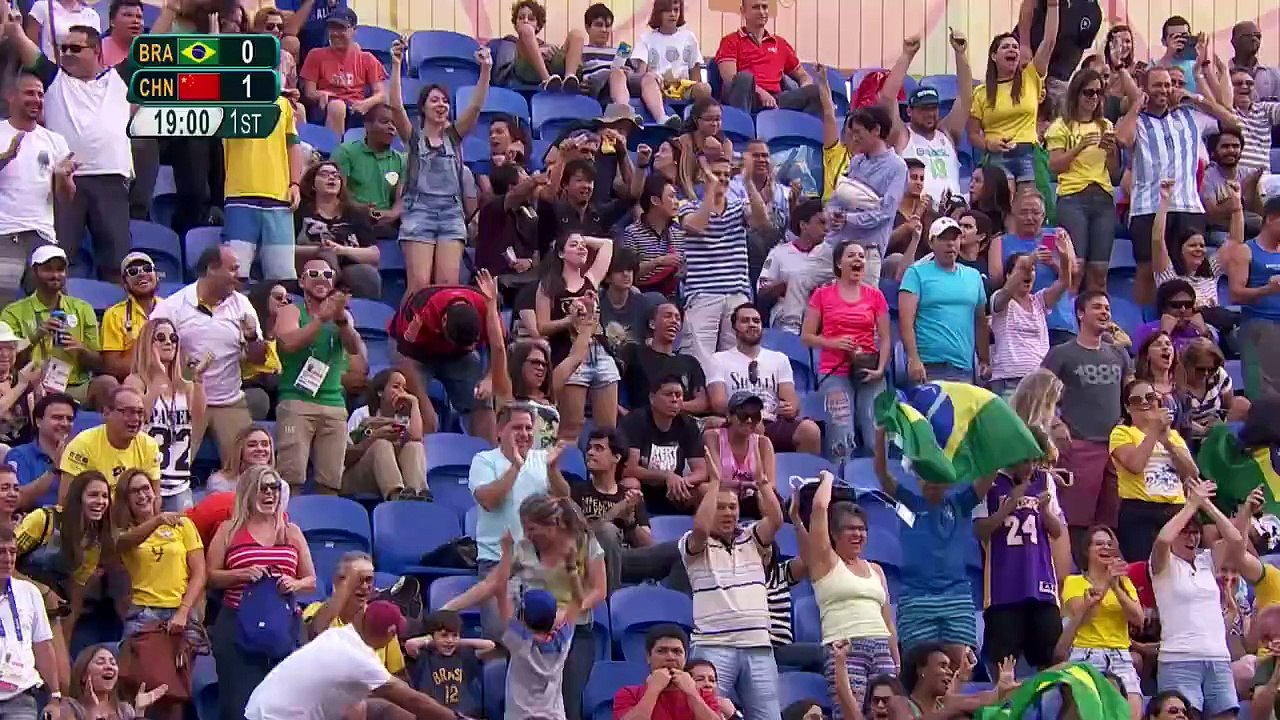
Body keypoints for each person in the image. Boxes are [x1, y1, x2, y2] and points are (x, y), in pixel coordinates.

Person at [5, 20, 129, 281]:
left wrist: (171, 10)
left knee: (116, 263)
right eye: (63, 48)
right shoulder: (54, 79)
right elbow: (24, 43)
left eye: (75, 48)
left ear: (96, 51)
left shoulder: (119, 77)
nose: (67, 53)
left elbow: (150, 48)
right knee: (58, 259)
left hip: (111, 177)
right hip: (66, 182)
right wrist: (13, 26)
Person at [1118, 65, 1241, 306]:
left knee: (1187, 269)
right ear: (1145, 89)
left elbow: (1232, 122)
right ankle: (1147, 321)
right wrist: (1136, 104)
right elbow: (1122, 139)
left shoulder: (1191, 116)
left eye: (1168, 85)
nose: (1165, 90)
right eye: (1158, 85)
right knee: (1147, 269)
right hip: (1147, 207)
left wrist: (1196, 99)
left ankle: (1185, 316)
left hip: (1189, 206)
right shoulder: (1136, 120)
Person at [681, 434, 783, 720]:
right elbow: (701, 529)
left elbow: (776, 520)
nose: (728, 513)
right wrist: (714, 483)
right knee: (705, 716)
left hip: (758, 644)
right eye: (720, 507)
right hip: (713, 646)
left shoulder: (752, 537)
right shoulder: (693, 543)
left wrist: (762, 483)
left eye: (732, 507)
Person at [206, 465, 315, 720]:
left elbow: (311, 580)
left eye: (274, 488)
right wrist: (241, 574)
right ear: (248, 492)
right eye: (263, 488)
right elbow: (210, 576)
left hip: (284, 624)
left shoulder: (290, 531)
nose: (270, 494)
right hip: (236, 623)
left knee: (286, 704)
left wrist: (295, 583)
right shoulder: (229, 530)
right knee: (239, 706)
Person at [791, 470, 896, 719]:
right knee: (850, 714)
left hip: (881, 650)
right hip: (845, 650)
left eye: (862, 529)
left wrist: (896, 660)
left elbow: (888, 620)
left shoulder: (876, 570)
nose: (858, 534)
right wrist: (827, 478)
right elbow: (819, 508)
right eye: (850, 529)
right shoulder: (824, 563)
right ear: (834, 534)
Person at [388, 38, 491, 289]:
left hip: (451, 214)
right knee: (419, 285)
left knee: (447, 284)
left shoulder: (454, 137)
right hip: (418, 212)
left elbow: (475, 107)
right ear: (422, 108)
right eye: (434, 100)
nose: (441, 105)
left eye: (445, 101)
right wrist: (396, 64)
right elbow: (396, 107)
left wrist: (486, 69)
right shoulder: (413, 138)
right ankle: (407, 318)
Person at [150, 245, 268, 464]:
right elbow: (149, 353)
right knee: (172, 467)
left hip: (229, 401)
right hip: (184, 399)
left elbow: (258, 359)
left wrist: (252, 338)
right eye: (232, 269)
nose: (239, 275)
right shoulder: (173, 307)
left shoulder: (242, 305)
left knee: (249, 468)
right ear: (212, 268)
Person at [246, 600, 459, 720]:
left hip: (259, 709)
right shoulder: (359, 658)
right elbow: (413, 700)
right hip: (274, 717)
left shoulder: (339, 635)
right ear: (391, 633)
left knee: (378, 708)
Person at [467, 404, 571, 635]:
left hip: (538, 563)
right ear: (500, 431)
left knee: (541, 636)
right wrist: (516, 467)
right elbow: (489, 501)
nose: (524, 433)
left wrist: (553, 470)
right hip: (496, 561)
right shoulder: (484, 460)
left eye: (528, 428)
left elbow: (564, 498)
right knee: (501, 636)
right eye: (517, 428)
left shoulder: (543, 459)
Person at [111, 469, 204, 720]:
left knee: (173, 695)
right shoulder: (122, 532)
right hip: (144, 616)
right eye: (134, 491)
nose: (142, 495)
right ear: (125, 499)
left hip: (181, 615)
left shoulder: (182, 525)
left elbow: (199, 572)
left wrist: (183, 612)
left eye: (146, 489)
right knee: (136, 691)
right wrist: (158, 520)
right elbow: (121, 544)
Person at [1041, 291, 1133, 545]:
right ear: (1080, 314)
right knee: (1076, 520)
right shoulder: (1061, 354)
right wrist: (1055, 423)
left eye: (1107, 308)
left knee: (1110, 520)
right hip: (1079, 445)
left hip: (1116, 448)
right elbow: (1040, 395)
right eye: (1097, 307)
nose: (1104, 312)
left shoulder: (1119, 354)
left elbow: (1131, 394)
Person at [1150, 479, 1243, 720]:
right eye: (1185, 532)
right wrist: (1191, 504)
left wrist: (1206, 505)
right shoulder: (1162, 564)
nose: (1192, 538)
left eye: (1195, 533)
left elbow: (1235, 540)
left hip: (1218, 657)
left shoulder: (1207, 561)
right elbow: (1163, 540)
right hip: (1179, 660)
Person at [973, 430, 1065, 674]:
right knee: (1004, 661)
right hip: (1003, 587)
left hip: (1042, 584)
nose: (1030, 466)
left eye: (1034, 459)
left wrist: (1045, 512)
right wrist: (1008, 507)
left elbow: (1057, 532)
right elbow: (980, 530)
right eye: (1025, 459)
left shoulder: (1044, 481)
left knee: (1053, 657)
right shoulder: (989, 482)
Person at [274, 256, 365, 493]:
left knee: (331, 481)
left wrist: (341, 321)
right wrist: (321, 319)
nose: (321, 279)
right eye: (313, 274)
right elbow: (289, 343)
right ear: (302, 281)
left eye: (327, 274)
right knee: (291, 477)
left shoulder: (343, 316)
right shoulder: (290, 311)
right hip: (296, 401)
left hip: (334, 403)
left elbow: (354, 349)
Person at [17, 470, 113, 687]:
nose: (100, 502)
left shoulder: (94, 542)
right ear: (78, 497)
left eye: (105, 496)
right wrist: (42, 591)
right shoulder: (44, 519)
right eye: (93, 495)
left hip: (51, 612)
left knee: (62, 681)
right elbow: (4, 563)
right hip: (13, 602)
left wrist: (64, 642)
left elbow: (75, 596)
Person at [676, 155, 770, 366]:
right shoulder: (688, 207)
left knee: (736, 362)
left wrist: (748, 182)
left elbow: (762, 220)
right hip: (703, 294)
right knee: (698, 362)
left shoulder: (738, 207)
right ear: (703, 177)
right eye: (717, 174)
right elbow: (697, 226)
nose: (723, 179)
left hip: (736, 294)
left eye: (727, 175)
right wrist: (711, 189)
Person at [801, 240, 890, 461]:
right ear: (839, 263)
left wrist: (880, 370)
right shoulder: (822, 295)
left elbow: (886, 338)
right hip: (834, 370)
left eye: (861, 256)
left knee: (875, 433)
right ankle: (840, 478)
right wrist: (834, 343)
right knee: (841, 435)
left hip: (868, 369)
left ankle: (878, 479)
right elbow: (806, 337)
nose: (858, 259)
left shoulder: (875, 296)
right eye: (851, 255)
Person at [390, 271, 505, 439]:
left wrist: (490, 378)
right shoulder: (420, 309)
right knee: (421, 413)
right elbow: (405, 361)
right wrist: (423, 404)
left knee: (482, 399)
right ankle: (418, 452)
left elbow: (499, 347)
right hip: (415, 355)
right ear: (443, 321)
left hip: (458, 357)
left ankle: (488, 451)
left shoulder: (485, 305)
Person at [0, 68, 76, 305]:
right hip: (4, 234)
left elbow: (66, 197)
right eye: (29, 93)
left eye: (40, 94)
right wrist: (5, 159)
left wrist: (63, 178)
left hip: (43, 236)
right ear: (11, 96)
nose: (36, 99)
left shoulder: (55, 141)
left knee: (54, 307)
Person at [3, 245, 112, 408]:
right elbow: (8, 363)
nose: (55, 275)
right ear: (34, 271)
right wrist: (35, 337)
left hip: (75, 387)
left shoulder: (83, 308)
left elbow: (99, 364)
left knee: (107, 384)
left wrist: (81, 350)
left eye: (60, 269)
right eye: (48, 269)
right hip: (31, 387)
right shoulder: (13, 312)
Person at [575, 428, 683, 592]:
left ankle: (675, 604)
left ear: (616, 457)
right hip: (591, 558)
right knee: (608, 531)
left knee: (683, 547)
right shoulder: (577, 491)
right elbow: (577, 537)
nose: (590, 453)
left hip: (627, 559)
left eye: (598, 449)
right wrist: (615, 512)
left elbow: (647, 546)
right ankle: (612, 599)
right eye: (589, 448)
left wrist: (630, 523)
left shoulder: (630, 496)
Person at [535, 233, 617, 443]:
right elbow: (542, 327)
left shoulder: (591, 280)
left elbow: (607, 244)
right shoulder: (549, 286)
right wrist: (568, 321)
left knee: (608, 429)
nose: (582, 248)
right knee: (572, 427)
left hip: (599, 351)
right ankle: (564, 464)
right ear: (561, 253)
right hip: (568, 355)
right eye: (574, 245)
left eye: (583, 246)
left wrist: (582, 239)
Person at [707, 305, 821, 455]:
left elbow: (791, 401)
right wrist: (749, 414)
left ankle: (806, 471)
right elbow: (718, 403)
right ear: (734, 327)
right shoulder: (719, 359)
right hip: (737, 421)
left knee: (810, 431)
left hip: (772, 420)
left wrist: (790, 408)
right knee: (755, 427)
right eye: (745, 321)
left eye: (756, 321)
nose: (752, 324)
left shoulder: (779, 359)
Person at [1056, 526, 1145, 716]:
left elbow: (1138, 619)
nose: (1105, 547)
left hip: (1120, 655)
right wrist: (1106, 583)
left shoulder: (1124, 583)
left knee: (1133, 712)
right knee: (1089, 713)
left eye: (1109, 544)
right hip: (1086, 654)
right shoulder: (1074, 582)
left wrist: (1116, 587)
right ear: (1086, 551)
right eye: (1098, 544)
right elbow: (1084, 615)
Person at [1046, 68, 1121, 292]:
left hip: (1103, 197)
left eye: (1099, 93)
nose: (1094, 97)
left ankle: (1097, 310)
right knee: (1075, 269)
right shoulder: (1061, 126)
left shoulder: (1106, 125)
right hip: (1073, 197)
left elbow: (1114, 172)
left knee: (1099, 272)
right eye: (1089, 92)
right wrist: (1079, 147)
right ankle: (1069, 313)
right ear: (1076, 94)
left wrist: (1110, 152)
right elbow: (1055, 166)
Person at [967, 4, 1058, 186]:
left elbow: (1048, 42)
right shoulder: (981, 92)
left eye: (1015, 47)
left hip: (1028, 153)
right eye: (1006, 47)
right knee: (1003, 200)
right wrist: (988, 144)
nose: (1012, 50)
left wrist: (1053, 5)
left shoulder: (1031, 77)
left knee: (1029, 201)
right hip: (997, 156)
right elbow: (973, 134)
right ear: (994, 56)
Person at [1110, 378, 1198, 562]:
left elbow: (1192, 473)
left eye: (1149, 397)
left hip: (1175, 509)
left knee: (1179, 567)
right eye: (1136, 400)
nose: (1144, 402)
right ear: (1127, 408)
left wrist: (1167, 443)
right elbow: (1135, 465)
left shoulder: (1173, 436)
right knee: (1144, 568)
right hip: (1141, 510)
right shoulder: (1122, 433)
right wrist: (1153, 432)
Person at [125, 318, 208, 512]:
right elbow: (137, 417)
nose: (168, 342)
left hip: (179, 484)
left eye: (173, 338)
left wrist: (198, 380)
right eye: (160, 338)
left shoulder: (186, 386)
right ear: (147, 343)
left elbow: (198, 418)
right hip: (144, 484)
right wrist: (157, 379)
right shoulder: (135, 382)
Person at [879, 31, 973, 202]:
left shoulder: (947, 134)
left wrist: (960, 54)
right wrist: (907, 55)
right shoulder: (902, 135)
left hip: (952, 211)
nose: (930, 114)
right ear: (909, 111)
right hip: (917, 211)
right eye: (923, 109)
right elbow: (887, 99)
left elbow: (966, 98)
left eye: (933, 108)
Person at [899, 217, 990, 384]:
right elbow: (906, 322)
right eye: (943, 238)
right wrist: (913, 359)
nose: (950, 243)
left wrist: (984, 360)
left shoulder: (974, 276)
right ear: (931, 243)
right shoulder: (915, 273)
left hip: (964, 369)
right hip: (928, 367)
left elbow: (980, 322)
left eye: (955, 238)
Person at [828, 106, 908, 287]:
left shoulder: (897, 167)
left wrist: (848, 218)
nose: (854, 138)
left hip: (867, 252)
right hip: (837, 246)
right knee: (803, 279)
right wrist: (832, 213)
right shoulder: (856, 161)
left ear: (876, 130)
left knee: (862, 303)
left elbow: (885, 213)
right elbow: (839, 198)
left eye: (858, 132)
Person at [1155, 179, 1238, 345]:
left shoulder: (1211, 271)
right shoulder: (1168, 273)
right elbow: (1157, 240)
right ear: (1180, 250)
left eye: (1202, 245)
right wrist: (1164, 203)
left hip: (1215, 328)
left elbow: (1235, 241)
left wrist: (1237, 207)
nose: (1199, 249)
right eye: (1192, 245)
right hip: (1183, 327)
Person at [988, 191, 1078, 345]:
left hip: (1058, 321)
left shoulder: (1058, 235)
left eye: (1035, 213)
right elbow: (996, 280)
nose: (1029, 217)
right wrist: (1028, 262)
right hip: (1019, 324)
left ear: (1043, 215)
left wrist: (1054, 262)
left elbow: (1074, 274)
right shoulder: (1000, 242)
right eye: (1023, 212)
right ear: (1013, 215)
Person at [989, 239, 1074, 397]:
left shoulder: (1039, 301)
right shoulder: (1000, 299)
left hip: (1039, 380)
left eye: (1033, 269)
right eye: (1023, 269)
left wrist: (1065, 257)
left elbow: (1064, 282)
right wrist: (1028, 262)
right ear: (1008, 275)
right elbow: (1006, 292)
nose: (1029, 273)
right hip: (1009, 380)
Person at [303, 552, 405, 676]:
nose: (365, 586)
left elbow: (398, 674)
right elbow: (314, 633)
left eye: (369, 580)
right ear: (338, 582)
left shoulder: (380, 617)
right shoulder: (316, 610)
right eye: (358, 580)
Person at [0, 523, 64, 719]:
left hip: (20, 695)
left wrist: (55, 696)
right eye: (1, 552)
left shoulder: (30, 592)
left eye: (12, 552)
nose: (8, 558)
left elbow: (43, 645)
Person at [293, 161, 382, 299]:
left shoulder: (356, 213)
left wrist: (341, 250)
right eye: (324, 174)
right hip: (310, 265)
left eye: (336, 175)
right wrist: (319, 250)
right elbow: (288, 249)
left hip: (347, 266)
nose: (331, 177)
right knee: (322, 263)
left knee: (367, 276)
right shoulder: (300, 211)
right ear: (313, 184)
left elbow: (373, 254)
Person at [620, 375, 708, 514]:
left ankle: (700, 527)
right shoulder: (635, 421)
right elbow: (629, 469)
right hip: (643, 488)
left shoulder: (688, 424)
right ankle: (636, 525)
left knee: (705, 489)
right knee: (631, 484)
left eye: (678, 395)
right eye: (668, 394)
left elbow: (701, 471)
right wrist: (667, 476)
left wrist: (682, 482)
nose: (674, 399)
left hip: (673, 491)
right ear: (652, 398)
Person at [187, 426, 287, 547]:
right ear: (240, 450)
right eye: (252, 445)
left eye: (265, 444)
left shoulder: (281, 486)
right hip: (226, 540)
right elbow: (217, 520)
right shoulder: (220, 482)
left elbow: (273, 521)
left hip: (264, 540)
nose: (260, 449)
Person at [713, 0, 820, 114]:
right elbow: (730, 78)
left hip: (777, 100)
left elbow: (803, 75)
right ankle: (742, 123)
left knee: (815, 92)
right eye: (756, 7)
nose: (762, 12)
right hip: (748, 98)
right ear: (743, 11)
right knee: (744, 77)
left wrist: (805, 86)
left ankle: (804, 125)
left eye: (764, 7)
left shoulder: (780, 43)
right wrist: (760, 92)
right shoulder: (730, 41)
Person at [1225, 196, 1280, 400]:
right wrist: (1266, 290)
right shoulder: (1246, 251)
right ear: (1271, 219)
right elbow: (1235, 294)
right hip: (1259, 324)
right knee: (1263, 393)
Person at [58, 385, 159, 498]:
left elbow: (155, 497)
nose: (136, 418)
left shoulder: (148, 445)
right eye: (128, 412)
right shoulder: (82, 445)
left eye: (140, 412)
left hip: (132, 508)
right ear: (106, 413)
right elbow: (66, 499)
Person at [299, 8, 387, 137]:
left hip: (356, 107)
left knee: (383, 111)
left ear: (354, 30)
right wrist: (321, 94)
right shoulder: (316, 55)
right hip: (326, 106)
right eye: (332, 28)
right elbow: (309, 92)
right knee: (337, 106)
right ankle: (334, 148)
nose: (335, 33)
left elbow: (381, 94)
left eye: (341, 28)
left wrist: (366, 103)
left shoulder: (367, 58)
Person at [345, 369, 429, 501]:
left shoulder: (403, 418)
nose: (401, 392)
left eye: (404, 388)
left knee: (414, 447)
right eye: (396, 387)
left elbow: (416, 438)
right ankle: (396, 496)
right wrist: (373, 438)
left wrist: (414, 403)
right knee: (382, 445)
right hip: (360, 476)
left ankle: (417, 494)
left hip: (391, 475)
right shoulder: (362, 414)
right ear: (380, 392)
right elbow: (346, 456)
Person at [328, 104, 405, 241]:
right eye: (384, 122)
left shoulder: (401, 160)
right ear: (367, 125)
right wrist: (359, 209)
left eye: (395, 123)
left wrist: (392, 214)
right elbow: (337, 193)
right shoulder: (346, 152)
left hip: (386, 222)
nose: (391, 127)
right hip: (351, 218)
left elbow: (402, 199)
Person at [613, 624, 723, 720]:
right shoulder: (629, 694)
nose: (670, 657)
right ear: (648, 657)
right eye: (661, 651)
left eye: (677, 651)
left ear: (685, 658)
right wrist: (653, 690)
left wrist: (692, 693)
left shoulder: (704, 695)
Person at [758, 199, 834, 335]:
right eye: (821, 222)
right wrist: (785, 286)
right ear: (803, 225)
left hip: (823, 319)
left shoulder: (832, 255)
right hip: (785, 316)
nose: (826, 229)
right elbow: (762, 292)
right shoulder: (779, 253)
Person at [630, 0, 711, 128]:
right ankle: (662, 118)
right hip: (658, 87)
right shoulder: (646, 38)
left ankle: (694, 125)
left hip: (683, 87)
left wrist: (696, 86)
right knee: (648, 81)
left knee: (705, 88)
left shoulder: (688, 37)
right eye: (667, 10)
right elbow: (641, 72)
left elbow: (695, 69)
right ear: (658, 13)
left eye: (676, 10)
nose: (673, 14)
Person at [618, 303, 709, 415]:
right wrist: (627, 417)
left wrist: (672, 405)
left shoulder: (690, 361)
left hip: (682, 421)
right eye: (668, 316)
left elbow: (702, 402)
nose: (674, 321)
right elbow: (611, 383)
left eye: (678, 318)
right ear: (652, 324)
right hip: (643, 421)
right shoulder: (634, 353)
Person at [405, 610, 494, 716]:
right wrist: (432, 641)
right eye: (444, 635)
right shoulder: (425, 656)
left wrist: (458, 642)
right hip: (431, 714)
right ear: (432, 636)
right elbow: (410, 644)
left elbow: (490, 646)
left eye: (454, 635)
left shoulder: (463, 655)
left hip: (461, 713)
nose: (450, 640)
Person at [59, 643, 168, 720]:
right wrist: (92, 711)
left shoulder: (124, 710)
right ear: (83, 674)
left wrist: (139, 712)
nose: (109, 667)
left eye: (113, 663)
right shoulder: (69, 707)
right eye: (100, 662)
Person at [100, 253, 162, 382]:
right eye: (133, 272)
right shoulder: (114, 315)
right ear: (125, 283)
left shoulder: (171, 308)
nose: (141, 274)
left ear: (156, 276)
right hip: (132, 382)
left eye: (147, 268)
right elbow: (112, 367)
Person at [7, 392, 73, 510]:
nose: (65, 423)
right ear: (38, 421)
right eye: (57, 417)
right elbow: (16, 501)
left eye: (69, 419)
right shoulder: (19, 455)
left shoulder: (78, 454)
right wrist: (53, 471)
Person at [1179, 338, 1249, 444]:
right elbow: (1177, 421)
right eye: (1200, 369)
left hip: (1214, 428)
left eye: (1211, 369)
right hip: (1187, 434)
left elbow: (1226, 409)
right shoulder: (1175, 382)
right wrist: (1203, 431)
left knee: (1242, 404)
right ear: (1186, 364)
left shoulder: (1218, 374)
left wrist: (1219, 425)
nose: (1206, 373)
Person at [674, 99, 733, 201]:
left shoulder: (726, 144)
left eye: (718, 119)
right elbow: (685, 179)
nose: (714, 124)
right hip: (686, 194)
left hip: (716, 193)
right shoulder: (684, 142)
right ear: (696, 120)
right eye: (709, 119)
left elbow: (725, 178)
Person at [0, 322, 41, 455]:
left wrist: (38, 390)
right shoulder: (22, 381)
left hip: (23, 454)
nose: (5, 354)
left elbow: (36, 423)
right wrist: (22, 385)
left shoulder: (20, 378)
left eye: (10, 348)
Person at [23, 0, 98, 58]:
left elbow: (96, 51)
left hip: (82, 69)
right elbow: (30, 45)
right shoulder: (42, 7)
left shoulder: (91, 14)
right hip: (50, 69)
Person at [1230, 20, 1280, 101]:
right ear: (1234, 42)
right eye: (1247, 36)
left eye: (1257, 36)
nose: (1254, 39)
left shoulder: (1274, 76)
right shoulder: (1221, 76)